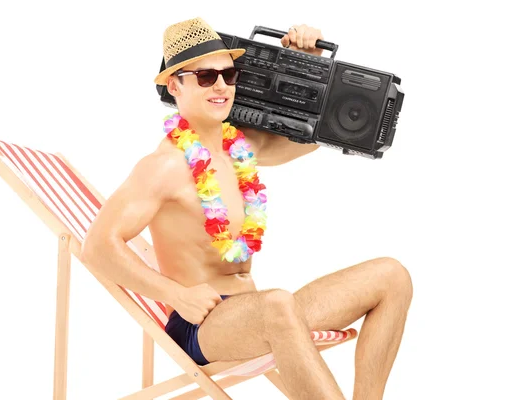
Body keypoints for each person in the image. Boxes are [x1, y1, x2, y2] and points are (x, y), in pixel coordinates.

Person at [80, 17, 412, 400]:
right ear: (174, 85)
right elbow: (98, 246)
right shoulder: (164, 166)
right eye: (205, 77)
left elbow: (318, 134)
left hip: (261, 312)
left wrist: (308, 65)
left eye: (229, 74)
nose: (221, 85)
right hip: (203, 325)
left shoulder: (240, 150)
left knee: (392, 275)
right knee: (277, 303)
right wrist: (176, 295)